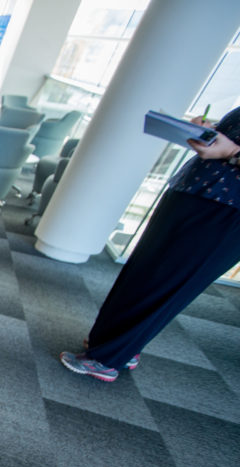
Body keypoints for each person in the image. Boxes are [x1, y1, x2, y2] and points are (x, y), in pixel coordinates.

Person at [60, 106, 240, 382]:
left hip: (226, 210)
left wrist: (231, 152)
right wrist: (209, 133)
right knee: (143, 271)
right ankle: (117, 345)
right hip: (194, 190)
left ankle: (107, 359)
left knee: (167, 283)